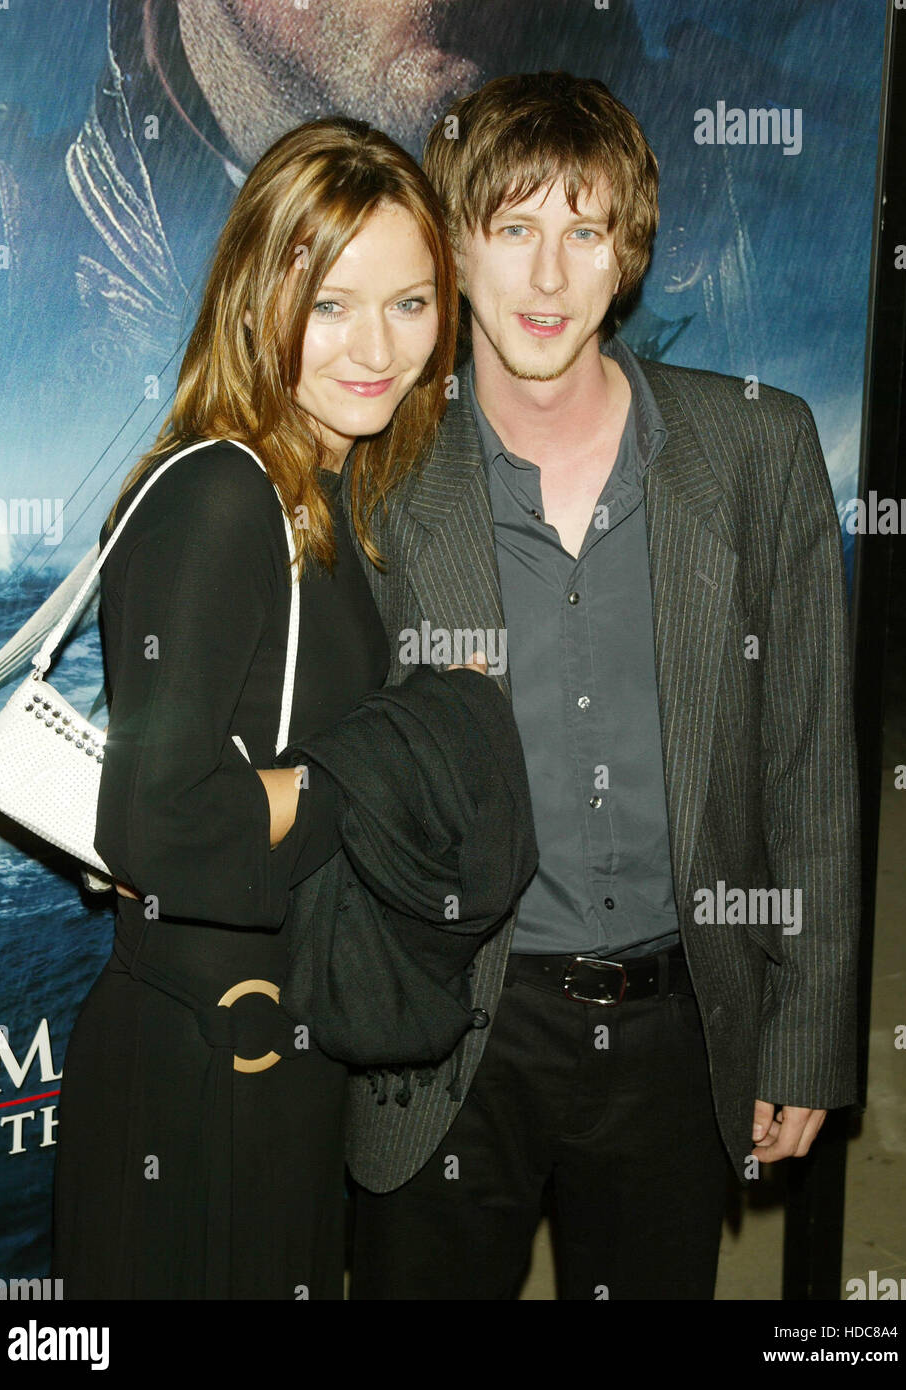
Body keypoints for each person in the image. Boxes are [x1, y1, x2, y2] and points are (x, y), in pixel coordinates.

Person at [343, 72, 860, 1300]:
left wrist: (805, 1031)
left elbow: (813, 769)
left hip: (678, 1032)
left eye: (584, 232)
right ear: (456, 245)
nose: (548, 277)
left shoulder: (756, 449)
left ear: (628, 253)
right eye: (514, 229)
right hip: (453, 1029)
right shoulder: (380, 478)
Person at [51, 114, 463, 1300]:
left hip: (272, 1043)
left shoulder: (319, 489)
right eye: (329, 305)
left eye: (410, 303)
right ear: (253, 300)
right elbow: (156, 825)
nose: (375, 347)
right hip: (199, 1066)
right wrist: (366, 773)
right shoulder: (226, 491)